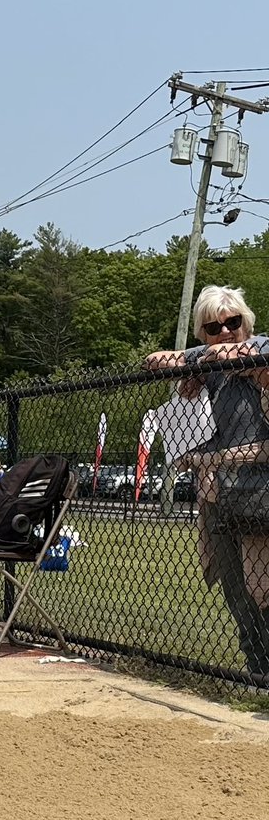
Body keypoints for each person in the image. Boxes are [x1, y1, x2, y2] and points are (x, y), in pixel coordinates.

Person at [146, 285, 269, 676]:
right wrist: (192, 367)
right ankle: (257, 674)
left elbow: (239, 353)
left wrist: (230, 358)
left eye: (233, 322)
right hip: (221, 493)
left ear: (246, 321)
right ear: (202, 331)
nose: (226, 332)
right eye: (214, 328)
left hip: (262, 491)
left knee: (261, 588)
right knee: (238, 595)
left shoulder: (262, 346)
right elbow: (156, 360)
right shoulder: (209, 360)